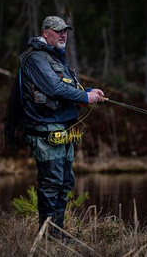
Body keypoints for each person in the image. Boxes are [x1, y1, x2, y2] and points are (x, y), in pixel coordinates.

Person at [6, 16, 105, 238]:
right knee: (51, 183)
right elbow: (53, 88)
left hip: (62, 130)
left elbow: (67, 87)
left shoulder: (57, 59)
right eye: (57, 30)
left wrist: (88, 92)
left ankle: (57, 232)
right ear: (45, 33)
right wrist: (84, 96)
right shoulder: (36, 59)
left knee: (64, 182)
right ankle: (49, 235)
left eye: (65, 31)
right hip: (44, 131)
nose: (63, 35)